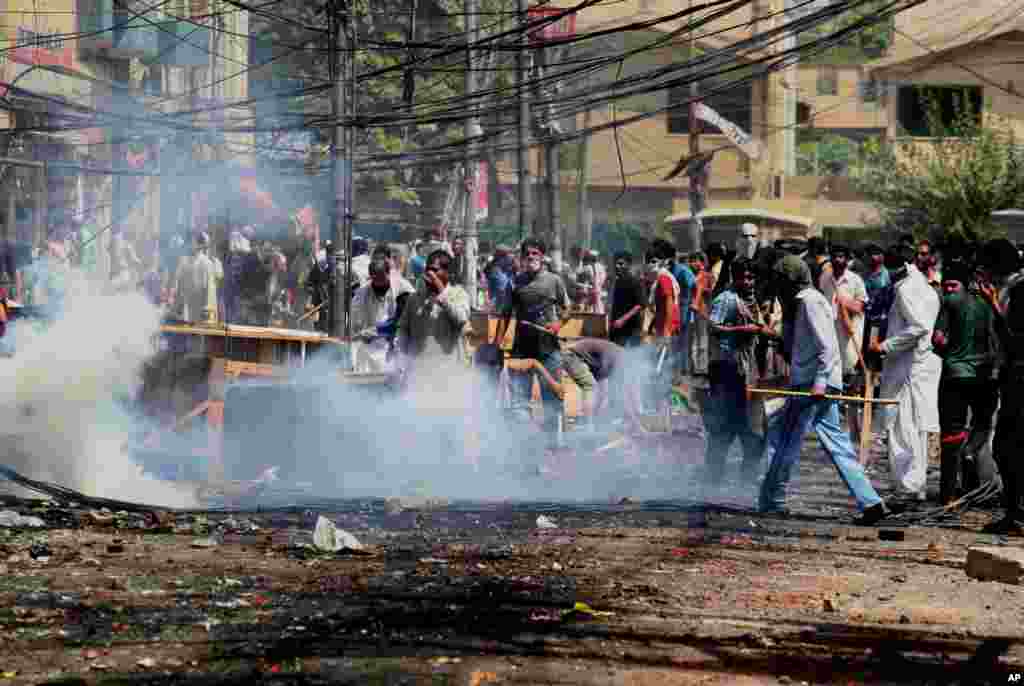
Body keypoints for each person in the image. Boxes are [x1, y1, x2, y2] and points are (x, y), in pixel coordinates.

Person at [759, 255, 889, 524]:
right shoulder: (806, 301)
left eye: (780, 281)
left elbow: (827, 347)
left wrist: (818, 383)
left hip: (813, 385)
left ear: (789, 280)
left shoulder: (809, 301)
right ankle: (871, 501)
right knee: (837, 445)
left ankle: (773, 499)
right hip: (817, 382)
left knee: (785, 440)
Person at [868, 244, 941, 505]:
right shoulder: (920, 285)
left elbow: (919, 328)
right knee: (914, 428)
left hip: (906, 367)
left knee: (903, 427)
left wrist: (883, 347)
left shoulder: (907, 288)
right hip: (916, 366)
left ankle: (908, 487)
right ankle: (914, 486)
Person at [495, 238, 569, 454]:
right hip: (522, 351)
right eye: (527, 254)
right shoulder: (514, 283)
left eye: (535, 253)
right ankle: (525, 445)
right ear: (522, 258)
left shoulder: (554, 281)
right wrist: (498, 344)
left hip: (549, 350)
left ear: (542, 256)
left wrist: (558, 324)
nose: (531, 257)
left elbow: (567, 309)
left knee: (553, 400)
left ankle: (555, 444)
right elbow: (505, 314)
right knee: (519, 401)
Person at [705, 258, 773, 487]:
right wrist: (741, 330)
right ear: (734, 277)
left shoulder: (751, 301)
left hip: (747, 371)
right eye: (743, 277)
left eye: (751, 277)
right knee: (722, 431)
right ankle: (712, 484)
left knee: (755, 434)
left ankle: (746, 484)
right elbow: (712, 327)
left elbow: (761, 329)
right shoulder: (726, 299)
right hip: (727, 371)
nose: (748, 281)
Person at [932, 261, 996, 505]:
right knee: (982, 425)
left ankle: (947, 496)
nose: (948, 290)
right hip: (985, 376)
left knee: (950, 435)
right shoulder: (992, 303)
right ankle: (970, 457)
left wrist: (950, 352)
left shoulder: (951, 302)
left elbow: (937, 339)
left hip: (954, 375)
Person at [976, 239, 1024, 534]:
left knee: (1008, 447)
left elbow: (1016, 341)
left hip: (1020, 378)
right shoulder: (1013, 289)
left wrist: (993, 306)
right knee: (1007, 447)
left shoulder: (1019, 291)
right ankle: (1014, 512)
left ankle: (1016, 514)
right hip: (1012, 377)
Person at [819, 243, 868, 440]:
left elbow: (861, 306)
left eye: (842, 257)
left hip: (850, 337)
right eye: (835, 257)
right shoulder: (825, 278)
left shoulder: (855, 280)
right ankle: (833, 427)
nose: (838, 261)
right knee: (832, 379)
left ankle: (854, 428)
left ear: (847, 260)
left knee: (851, 382)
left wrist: (844, 303)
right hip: (830, 335)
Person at [396, 248, 471, 369]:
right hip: (418, 369)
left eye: (435, 270)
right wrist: (401, 356)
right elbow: (403, 328)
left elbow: (462, 319)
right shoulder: (414, 298)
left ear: (448, 272)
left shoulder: (459, 294)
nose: (430, 274)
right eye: (428, 270)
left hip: (448, 369)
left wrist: (442, 296)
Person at [560, 337, 645, 434]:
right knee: (590, 387)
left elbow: (605, 392)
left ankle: (593, 424)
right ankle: (589, 427)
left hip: (578, 357)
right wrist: (635, 423)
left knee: (600, 393)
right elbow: (622, 397)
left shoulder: (618, 359)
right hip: (571, 356)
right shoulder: (617, 358)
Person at [351, 245, 416, 371]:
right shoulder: (362, 293)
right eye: (376, 282)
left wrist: (376, 330)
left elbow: (401, 320)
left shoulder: (403, 289)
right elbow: (355, 322)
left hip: (395, 348)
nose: (379, 287)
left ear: (388, 272)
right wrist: (360, 332)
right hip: (368, 352)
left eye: (383, 281)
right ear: (371, 277)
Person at [609, 251, 645, 347]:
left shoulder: (635, 282)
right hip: (617, 329)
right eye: (615, 263)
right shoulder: (617, 282)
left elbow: (640, 305)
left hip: (631, 329)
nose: (617, 266)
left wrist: (623, 319)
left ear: (628, 265)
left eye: (621, 264)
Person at [689, 251, 713, 376]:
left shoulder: (707, 276)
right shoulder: (690, 275)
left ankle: (702, 367)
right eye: (691, 261)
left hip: (702, 311)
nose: (692, 263)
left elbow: (711, 292)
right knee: (692, 340)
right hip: (690, 311)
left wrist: (703, 289)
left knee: (702, 339)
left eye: (695, 260)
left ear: (702, 262)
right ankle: (693, 366)